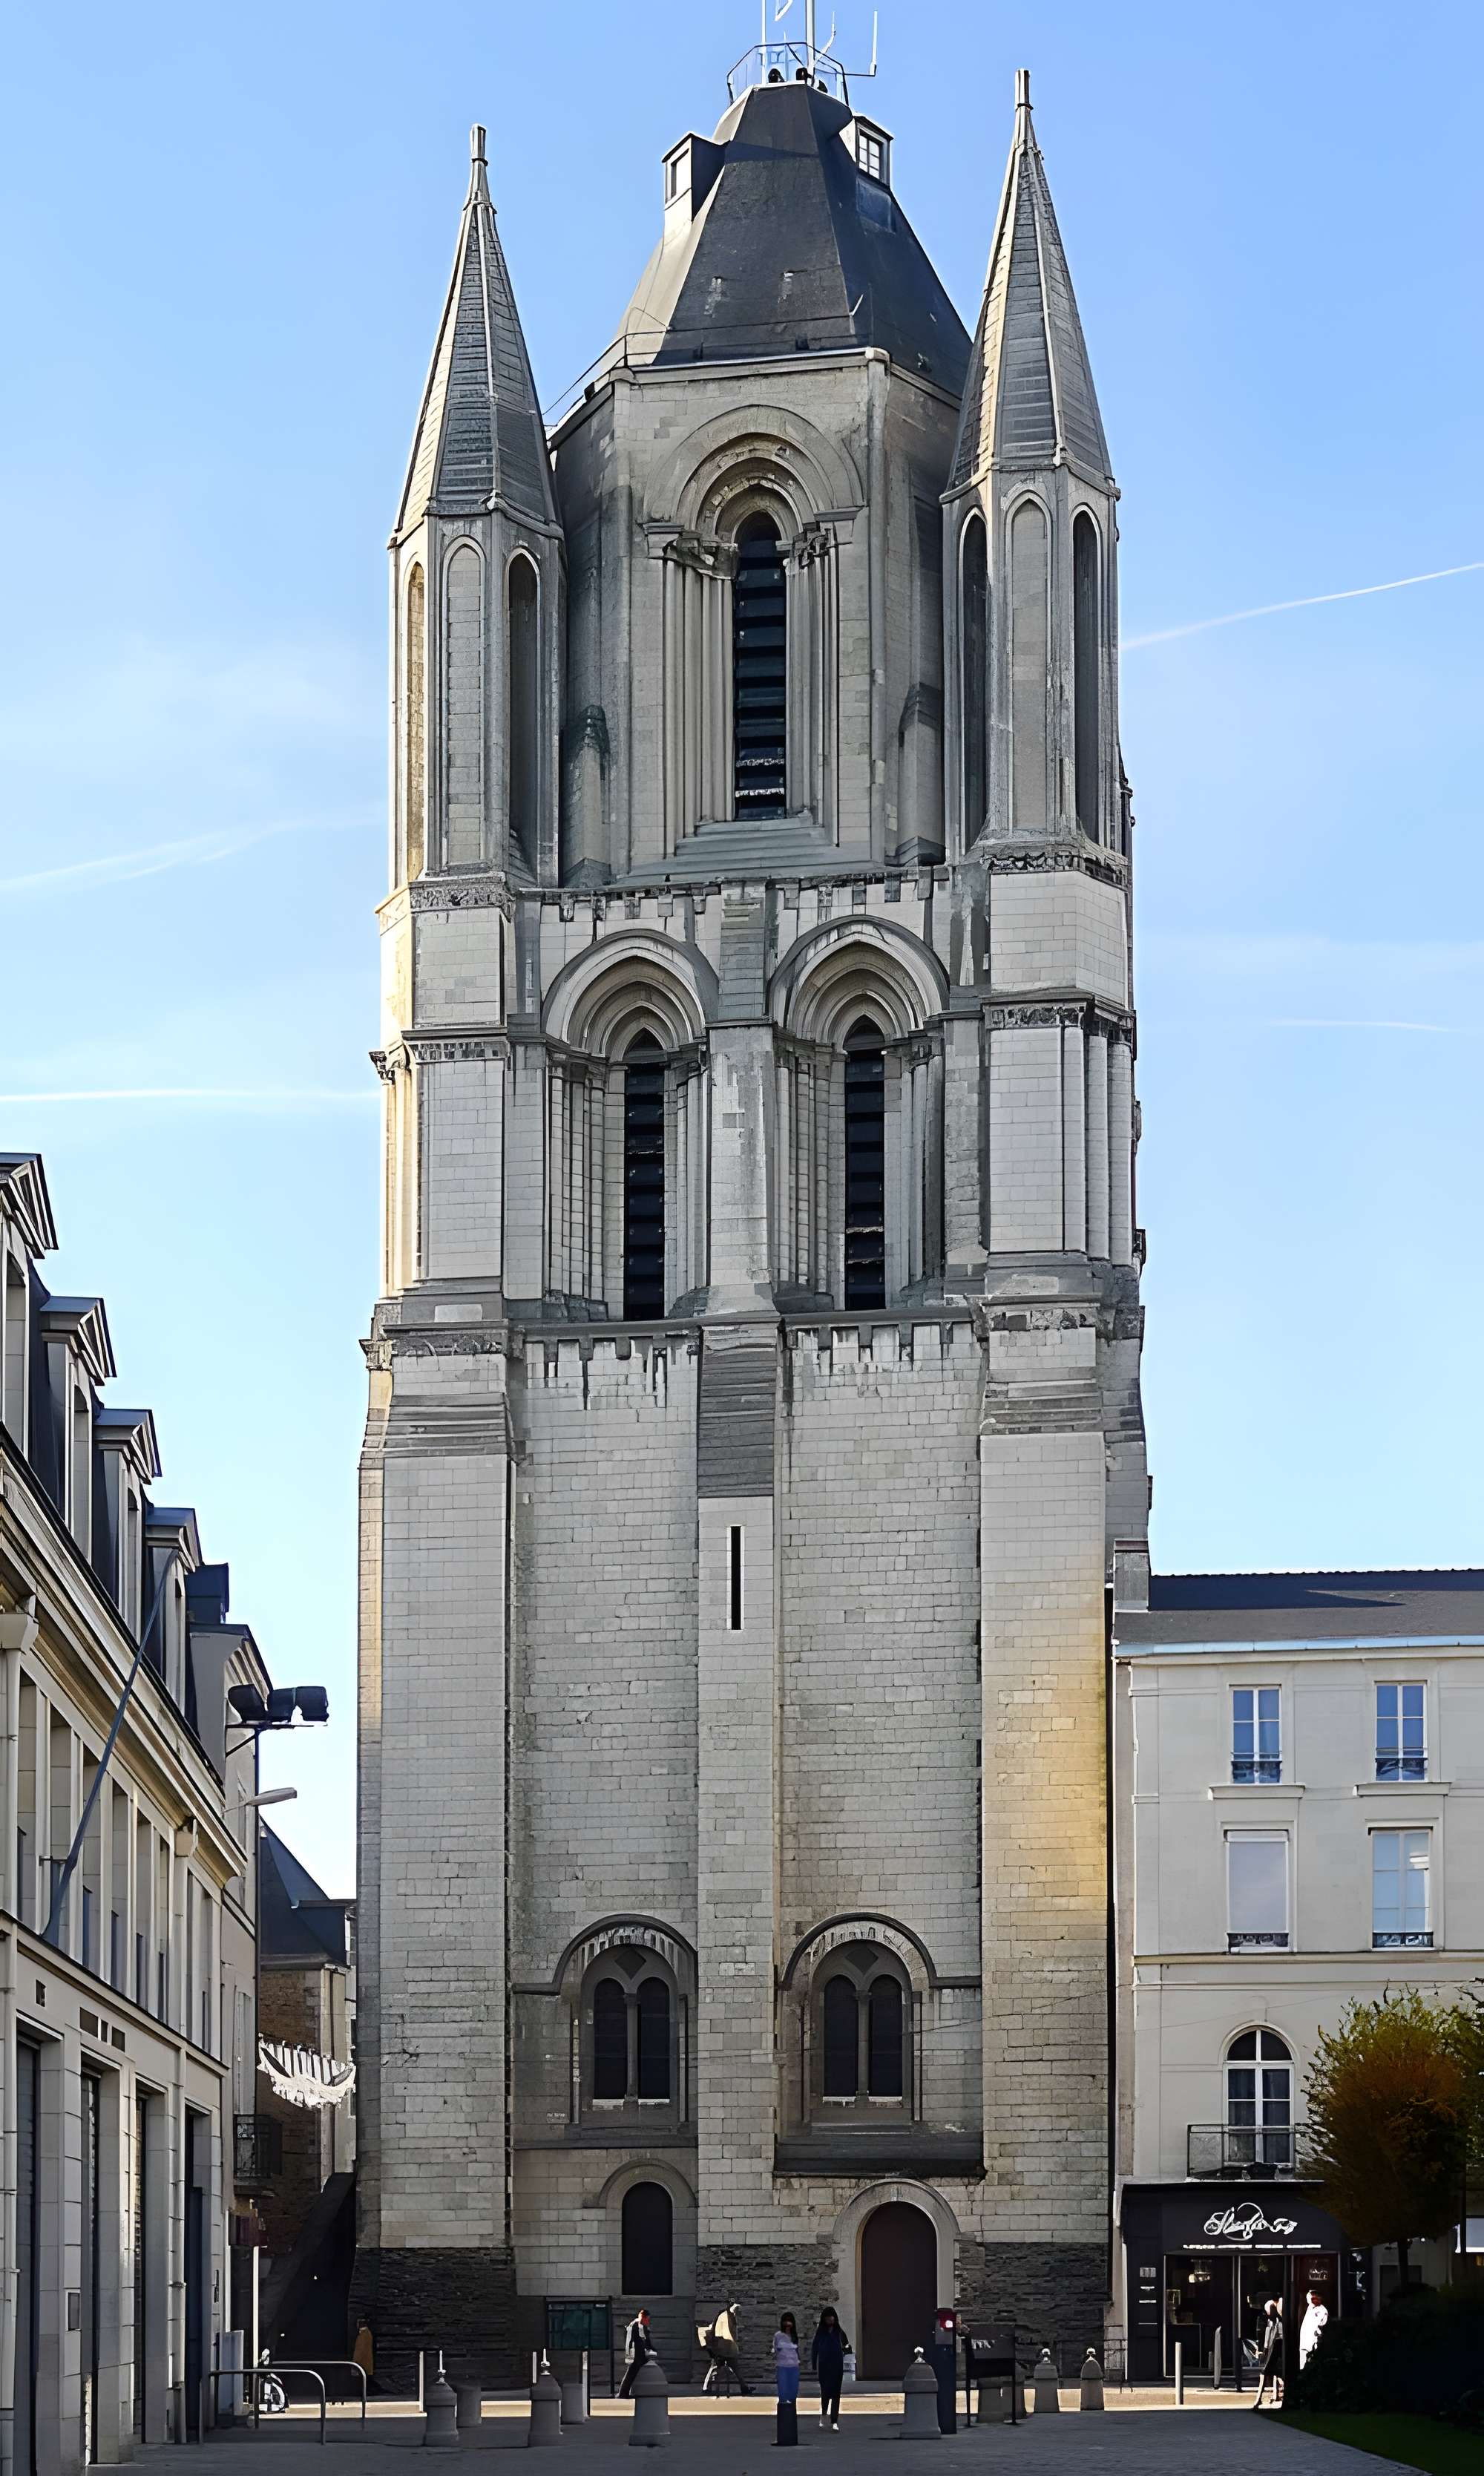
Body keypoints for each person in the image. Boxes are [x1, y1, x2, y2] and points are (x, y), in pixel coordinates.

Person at [810, 2307, 849, 2430]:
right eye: (828, 2317)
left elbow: (847, 2346)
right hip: (824, 2366)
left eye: (832, 2316)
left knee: (836, 2393)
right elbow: (815, 2348)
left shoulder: (839, 2332)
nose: (830, 2319)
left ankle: (834, 2420)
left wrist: (845, 2350)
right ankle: (823, 2414)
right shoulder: (821, 2332)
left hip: (837, 2365)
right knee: (825, 2392)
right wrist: (814, 2365)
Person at [700, 2302, 751, 2395]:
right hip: (724, 2348)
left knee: (732, 2368)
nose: (737, 2313)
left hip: (726, 2348)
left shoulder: (728, 2316)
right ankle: (705, 2387)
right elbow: (727, 2334)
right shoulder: (726, 2317)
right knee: (716, 2367)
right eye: (736, 2310)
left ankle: (744, 2387)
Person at [1250, 2298, 1282, 2410]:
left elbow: (1273, 2338)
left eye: (1269, 2312)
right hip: (1272, 2349)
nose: (1268, 2315)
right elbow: (1268, 2337)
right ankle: (1270, 2397)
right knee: (1273, 2374)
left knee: (1265, 2374)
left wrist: (1265, 2350)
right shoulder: (1273, 2322)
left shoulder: (1278, 2323)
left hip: (1274, 2350)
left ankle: (1259, 2400)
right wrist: (1264, 2349)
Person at [618, 2308, 653, 2397]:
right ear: (644, 2317)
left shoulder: (634, 2324)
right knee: (631, 2375)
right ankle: (623, 2393)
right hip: (636, 2354)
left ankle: (624, 2393)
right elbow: (643, 2340)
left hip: (632, 2353)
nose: (648, 2321)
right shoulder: (639, 2325)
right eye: (647, 2319)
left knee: (631, 2374)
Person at [773, 2313, 801, 2410]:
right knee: (783, 2391)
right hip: (782, 2366)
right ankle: (783, 2414)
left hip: (794, 2366)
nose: (788, 2324)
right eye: (786, 2321)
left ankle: (792, 2414)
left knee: (793, 2391)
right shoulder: (778, 2335)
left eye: (790, 2321)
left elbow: (797, 2351)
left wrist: (798, 2361)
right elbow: (776, 2350)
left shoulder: (794, 2336)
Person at [1298, 2287, 1329, 2368]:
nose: (1307, 2299)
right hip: (1304, 2341)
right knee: (1302, 2363)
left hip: (1313, 2341)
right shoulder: (1309, 2308)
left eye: (1309, 2297)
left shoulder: (1321, 2310)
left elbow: (1320, 2324)